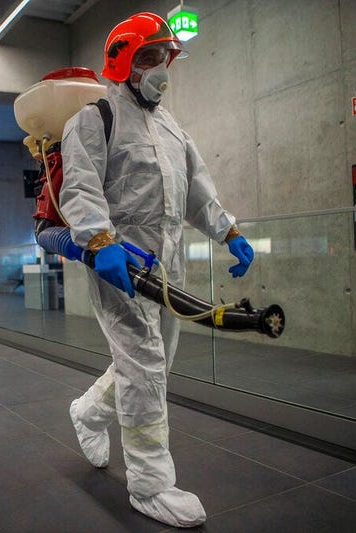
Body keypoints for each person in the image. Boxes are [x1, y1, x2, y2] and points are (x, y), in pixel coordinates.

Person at [60, 12, 254, 528]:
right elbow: (78, 188)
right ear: (122, 60)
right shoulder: (94, 118)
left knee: (155, 363)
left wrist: (227, 231)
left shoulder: (171, 127)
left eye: (165, 57)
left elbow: (195, 191)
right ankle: (149, 486)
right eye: (149, 57)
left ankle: (87, 411)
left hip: (168, 267)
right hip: (121, 264)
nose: (160, 68)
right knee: (145, 368)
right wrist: (100, 241)